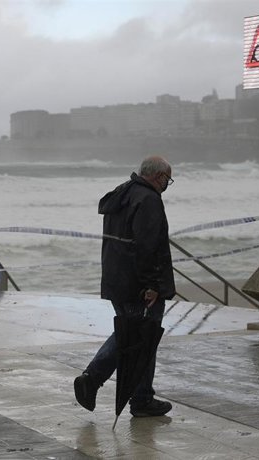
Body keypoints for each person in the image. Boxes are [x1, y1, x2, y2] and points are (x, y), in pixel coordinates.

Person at [74, 156, 176, 417]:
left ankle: (142, 398)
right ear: (159, 176)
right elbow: (147, 246)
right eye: (168, 179)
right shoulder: (148, 199)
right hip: (139, 286)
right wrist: (152, 284)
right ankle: (93, 377)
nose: (167, 185)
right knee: (137, 335)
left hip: (116, 279)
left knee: (142, 338)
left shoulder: (122, 193)